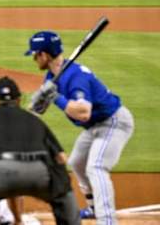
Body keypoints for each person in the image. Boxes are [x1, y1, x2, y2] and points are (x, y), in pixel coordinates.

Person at [25, 31, 134, 225]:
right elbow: (37, 112)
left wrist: (56, 98)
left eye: (35, 55)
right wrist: (36, 103)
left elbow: (84, 112)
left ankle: (107, 221)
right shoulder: (52, 76)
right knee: (77, 162)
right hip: (94, 128)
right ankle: (94, 207)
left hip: (113, 122)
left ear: (44, 54)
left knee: (96, 166)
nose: (34, 59)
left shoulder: (75, 77)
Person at [0, 76, 80, 225]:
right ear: (18, 100)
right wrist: (60, 184)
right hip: (40, 172)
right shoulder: (34, 120)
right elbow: (61, 157)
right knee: (64, 195)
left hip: (3, 171)